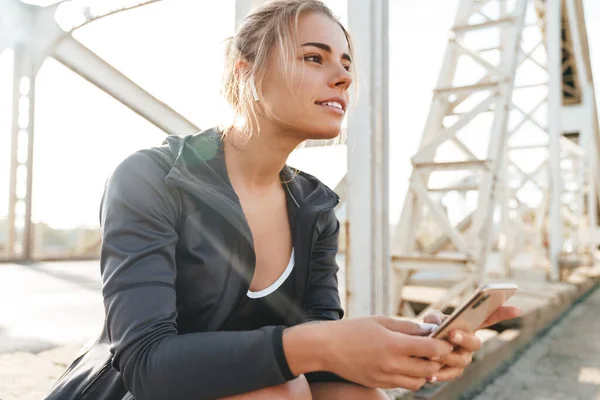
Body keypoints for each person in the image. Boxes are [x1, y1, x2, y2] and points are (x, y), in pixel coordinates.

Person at [95, 1, 522, 399]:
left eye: (346, 63)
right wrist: (318, 343)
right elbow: (146, 365)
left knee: (361, 396)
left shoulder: (315, 208)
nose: (344, 77)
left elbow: (320, 352)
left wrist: (406, 341)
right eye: (314, 58)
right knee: (282, 391)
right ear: (247, 74)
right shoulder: (152, 178)